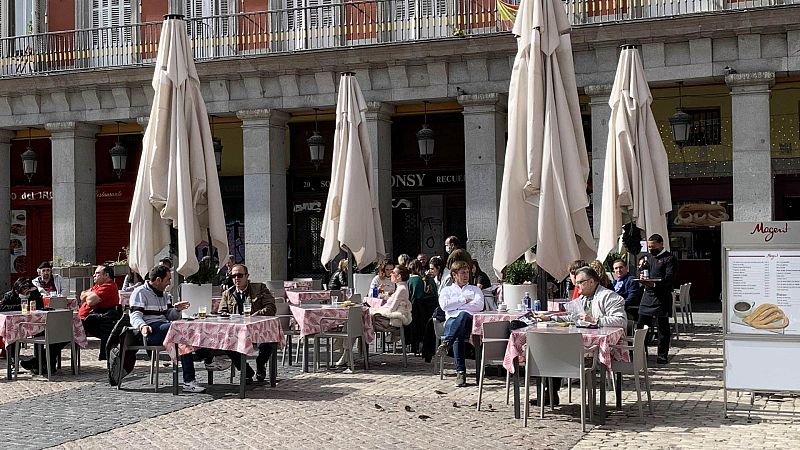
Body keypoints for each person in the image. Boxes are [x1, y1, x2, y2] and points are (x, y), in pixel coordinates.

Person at [534, 267, 627, 405]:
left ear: (591, 282)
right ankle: (550, 393)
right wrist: (551, 319)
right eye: (575, 282)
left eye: (579, 282)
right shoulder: (582, 299)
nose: (576, 286)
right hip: (580, 347)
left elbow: (621, 321)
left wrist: (596, 320)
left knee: (559, 350)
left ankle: (553, 393)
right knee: (550, 349)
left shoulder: (610, 297)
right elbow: (572, 318)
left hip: (604, 349)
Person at [130, 265, 206, 393]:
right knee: (180, 330)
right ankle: (206, 361)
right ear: (158, 280)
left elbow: (168, 315)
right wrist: (142, 326)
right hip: (150, 331)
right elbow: (135, 315)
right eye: (168, 279)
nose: (170, 282)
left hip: (166, 327)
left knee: (187, 329)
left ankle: (190, 379)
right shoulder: (140, 293)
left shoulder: (164, 294)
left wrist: (176, 310)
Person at [218, 264, 277, 381]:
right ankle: (246, 371)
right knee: (226, 344)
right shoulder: (228, 293)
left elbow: (271, 308)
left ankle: (260, 364)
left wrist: (253, 317)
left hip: (258, 329)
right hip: (237, 331)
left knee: (268, 342)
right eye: (233, 276)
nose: (236, 278)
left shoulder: (260, 288)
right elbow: (221, 312)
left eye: (239, 275)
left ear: (247, 276)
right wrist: (226, 315)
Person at [435, 260, 484, 387]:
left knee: (462, 316)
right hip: (451, 322)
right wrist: (464, 300)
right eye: (463, 273)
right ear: (454, 275)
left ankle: (448, 345)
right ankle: (460, 372)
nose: (466, 275)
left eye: (467, 272)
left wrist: (456, 306)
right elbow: (445, 306)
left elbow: (479, 306)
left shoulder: (475, 289)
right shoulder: (446, 291)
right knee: (458, 333)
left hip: (470, 322)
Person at [637, 234, 678, 365]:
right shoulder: (647, 258)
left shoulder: (669, 258)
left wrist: (654, 284)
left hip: (662, 296)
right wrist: (642, 274)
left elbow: (670, 278)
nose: (651, 249)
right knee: (642, 325)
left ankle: (662, 355)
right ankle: (641, 352)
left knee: (662, 327)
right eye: (649, 247)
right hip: (647, 295)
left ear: (661, 244)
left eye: (653, 246)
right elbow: (643, 272)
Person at [79, 264, 122, 361]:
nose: (94, 275)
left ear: (106, 275)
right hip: (85, 318)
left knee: (63, 334)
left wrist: (87, 295)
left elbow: (90, 301)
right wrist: (88, 294)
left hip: (93, 320)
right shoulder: (97, 286)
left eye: (97, 273)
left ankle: (48, 357)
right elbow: (82, 296)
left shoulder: (109, 286)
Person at [1, 278, 45, 370]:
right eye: (24, 289)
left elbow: (41, 306)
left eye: (28, 289)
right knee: (13, 333)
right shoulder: (10, 295)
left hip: (33, 322)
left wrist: (36, 292)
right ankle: (13, 360)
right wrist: (20, 307)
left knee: (40, 330)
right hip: (15, 323)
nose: (26, 292)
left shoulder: (33, 294)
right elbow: (2, 307)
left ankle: (39, 361)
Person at [370, 265, 412, 338]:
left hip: (390, 320)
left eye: (393, 272)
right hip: (388, 317)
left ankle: (360, 346)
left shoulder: (401, 289)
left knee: (363, 320)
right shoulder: (400, 287)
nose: (390, 274)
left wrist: (378, 311)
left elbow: (392, 309)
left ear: (398, 276)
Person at [407, 260, 438, 353]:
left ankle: (413, 345)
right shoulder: (431, 279)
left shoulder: (411, 281)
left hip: (416, 315)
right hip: (431, 313)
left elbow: (409, 298)